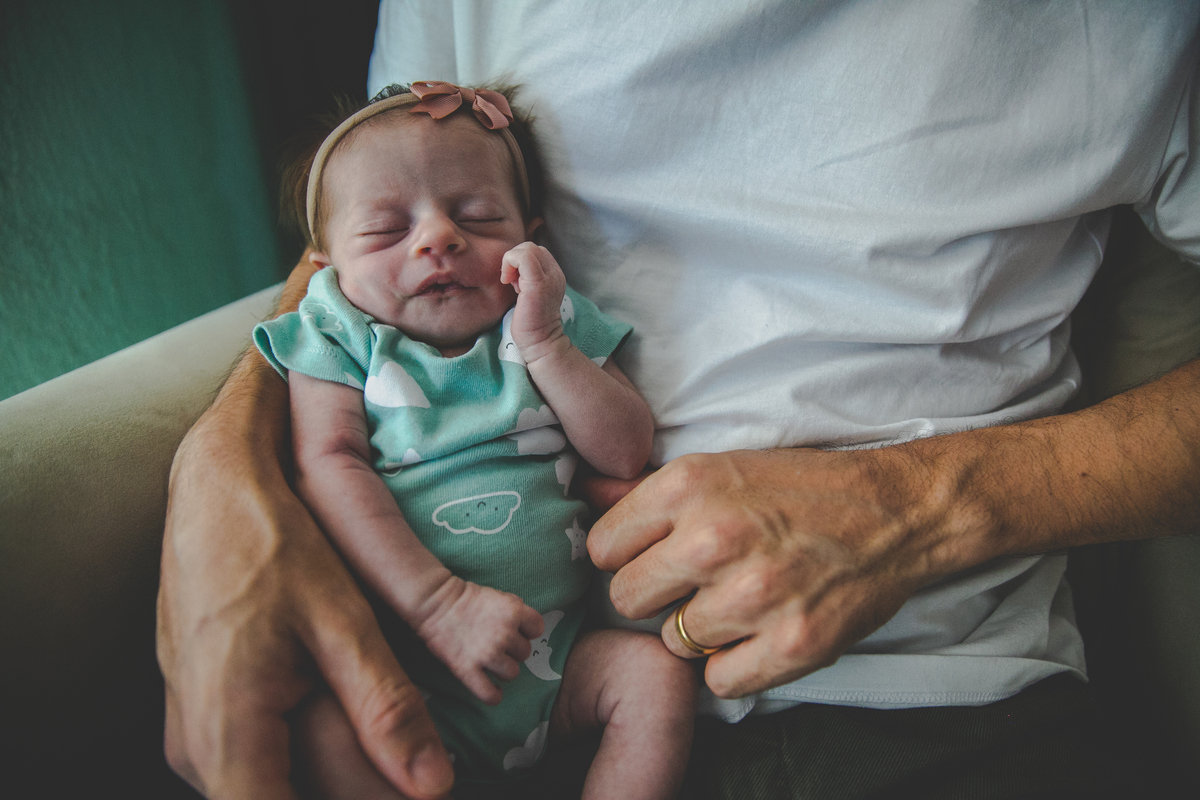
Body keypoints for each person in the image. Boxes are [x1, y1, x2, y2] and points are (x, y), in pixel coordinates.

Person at [157, 3, 1200, 798]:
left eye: (475, 213)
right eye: (403, 230)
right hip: (484, 662)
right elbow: (356, 231)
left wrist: (924, 503)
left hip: (927, 695)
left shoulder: (1133, 28)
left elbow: (606, 421)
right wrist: (215, 473)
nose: (438, 239)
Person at [250, 82, 695, 798]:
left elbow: (624, 452)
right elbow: (328, 463)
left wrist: (546, 345)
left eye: (479, 217)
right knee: (319, 730)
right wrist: (438, 606)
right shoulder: (338, 333)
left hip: (557, 666)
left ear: (531, 235)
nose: (438, 238)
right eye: (386, 230)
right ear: (326, 264)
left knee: (653, 678)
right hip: (410, 668)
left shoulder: (544, 314)